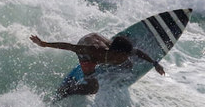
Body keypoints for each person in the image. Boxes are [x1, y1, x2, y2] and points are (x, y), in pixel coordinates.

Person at [30, 32, 165, 97]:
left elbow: (137, 52)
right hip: (86, 51)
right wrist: (44, 44)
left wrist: (154, 63)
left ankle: (108, 64)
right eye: (123, 56)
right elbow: (70, 47)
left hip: (99, 38)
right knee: (93, 88)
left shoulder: (117, 52)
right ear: (116, 53)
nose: (125, 58)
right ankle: (67, 91)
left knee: (128, 64)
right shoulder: (94, 51)